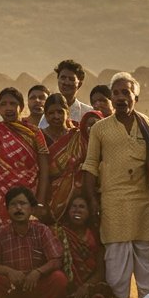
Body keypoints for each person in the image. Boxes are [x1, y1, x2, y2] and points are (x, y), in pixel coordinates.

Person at [81, 73, 149, 298]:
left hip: (144, 199)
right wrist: (92, 201)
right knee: (117, 255)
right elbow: (89, 165)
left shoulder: (148, 126)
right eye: (117, 93)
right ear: (111, 97)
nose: (121, 98)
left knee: (146, 253)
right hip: (113, 199)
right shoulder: (100, 128)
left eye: (126, 93)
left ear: (136, 97)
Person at [0, 186, 67, 298]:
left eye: (22, 204)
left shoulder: (42, 230)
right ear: (7, 209)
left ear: (32, 209)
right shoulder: (0, 233)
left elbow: (56, 260)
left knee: (59, 279)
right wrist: (8, 271)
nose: (18, 208)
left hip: (36, 285)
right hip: (12, 287)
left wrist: (38, 272)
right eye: (13, 204)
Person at [0, 87, 49, 232]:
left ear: (22, 107)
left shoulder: (34, 133)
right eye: (3, 104)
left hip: (27, 197)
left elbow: (44, 171)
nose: (8, 108)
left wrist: (40, 202)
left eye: (12, 104)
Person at [52, 194, 112, 298]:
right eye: (73, 207)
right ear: (67, 211)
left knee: (102, 291)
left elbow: (101, 271)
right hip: (68, 285)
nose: (77, 210)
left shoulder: (97, 235)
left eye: (82, 207)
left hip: (89, 285)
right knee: (57, 291)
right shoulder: (59, 233)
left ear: (89, 212)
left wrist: (86, 286)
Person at [41, 95, 88, 224]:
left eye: (60, 112)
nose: (56, 116)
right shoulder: (39, 137)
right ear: (45, 115)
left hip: (75, 194)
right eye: (51, 113)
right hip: (48, 193)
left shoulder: (76, 136)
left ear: (67, 113)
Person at [47, 60, 93, 126]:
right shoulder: (48, 113)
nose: (66, 82)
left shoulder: (88, 113)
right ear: (58, 80)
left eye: (71, 79)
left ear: (79, 84)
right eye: (63, 78)